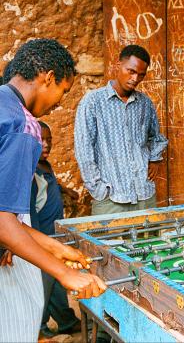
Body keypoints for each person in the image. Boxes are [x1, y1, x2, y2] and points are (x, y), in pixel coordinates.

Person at [0, 38, 106, 342]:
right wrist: (66, 274)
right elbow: (4, 223)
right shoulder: (23, 125)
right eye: (63, 91)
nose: (60, 102)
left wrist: (57, 249)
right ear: (47, 77)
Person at [75, 44, 168, 215]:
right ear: (118, 66)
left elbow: (155, 136)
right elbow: (84, 150)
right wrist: (99, 190)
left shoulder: (145, 103)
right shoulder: (93, 102)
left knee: (149, 242)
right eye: (131, 71)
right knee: (107, 242)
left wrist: (154, 159)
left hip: (144, 195)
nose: (135, 78)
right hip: (111, 198)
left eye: (141, 75)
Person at [30, 121, 82, 338]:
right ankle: (38, 329)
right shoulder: (30, 172)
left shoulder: (45, 166)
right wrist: (39, 243)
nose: (46, 145)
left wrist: (66, 190)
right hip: (42, 238)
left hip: (54, 235)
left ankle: (66, 320)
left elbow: (51, 185)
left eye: (49, 140)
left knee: (56, 285)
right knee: (43, 286)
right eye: (40, 140)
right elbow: (30, 212)